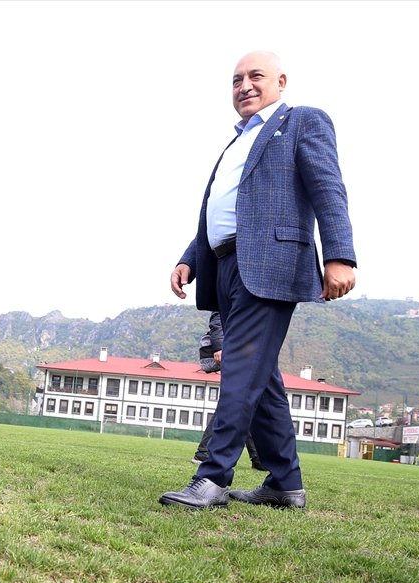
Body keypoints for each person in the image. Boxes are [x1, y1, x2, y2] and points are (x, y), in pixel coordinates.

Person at [160, 50, 356, 509]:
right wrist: (190, 257)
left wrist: (340, 255)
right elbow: (222, 210)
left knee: (242, 368)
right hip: (223, 264)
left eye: (255, 76)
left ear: (281, 81)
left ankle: (212, 478)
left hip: (270, 264)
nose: (244, 85)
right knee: (260, 377)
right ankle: (285, 484)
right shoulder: (234, 143)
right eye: (236, 80)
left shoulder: (303, 121)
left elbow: (329, 187)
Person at [192, 311, 262, 470]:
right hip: (234, 350)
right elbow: (218, 314)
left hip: (247, 350)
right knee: (235, 402)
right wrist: (219, 345)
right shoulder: (234, 287)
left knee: (244, 404)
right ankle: (204, 452)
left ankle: (258, 458)